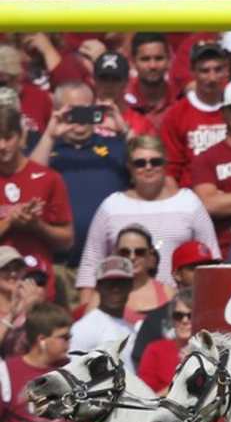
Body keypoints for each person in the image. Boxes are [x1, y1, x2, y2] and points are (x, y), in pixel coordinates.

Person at [76, 134, 217, 305]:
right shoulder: (112, 206)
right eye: (140, 163)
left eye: (155, 162)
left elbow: (211, 259)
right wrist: (85, 313)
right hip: (124, 305)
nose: (148, 167)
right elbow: (91, 264)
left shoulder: (189, 203)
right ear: (129, 166)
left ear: (165, 163)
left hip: (179, 306)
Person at [30, 81, 130, 270]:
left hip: (110, 262)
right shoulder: (42, 146)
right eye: (72, 112)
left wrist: (124, 130)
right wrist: (51, 136)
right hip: (59, 262)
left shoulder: (115, 146)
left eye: (85, 111)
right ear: (57, 111)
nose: (79, 120)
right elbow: (29, 180)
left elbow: (150, 165)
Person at [0, 302, 93, 422]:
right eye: (64, 337)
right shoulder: (6, 371)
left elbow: (90, 416)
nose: (69, 342)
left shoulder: (72, 371)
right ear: (42, 339)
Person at [0, 106, 73, 296]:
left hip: (37, 285)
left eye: (8, 137)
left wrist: (37, 226)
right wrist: (10, 222)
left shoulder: (49, 178)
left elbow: (67, 239)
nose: (2, 146)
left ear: (21, 136)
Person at [191, 79, 231, 259]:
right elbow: (209, 204)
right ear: (223, 112)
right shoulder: (207, 158)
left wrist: (228, 199)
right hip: (226, 250)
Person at [129, 239, 218, 368]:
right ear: (177, 274)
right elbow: (141, 367)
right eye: (195, 268)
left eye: (208, 266)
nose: (204, 272)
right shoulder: (156, 319)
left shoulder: (222, 315)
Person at [160, 41, 229, 184]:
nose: (212, 78)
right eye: (205, 71)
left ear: (226, 70)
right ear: (192, 71)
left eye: (218, 69)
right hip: (191, 197)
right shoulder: (176, 115)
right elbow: (170, 171)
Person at [68, 255, 135, 370]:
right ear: (98, 286)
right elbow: (72, 373)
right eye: (109, 284)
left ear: (131, 286)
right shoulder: (84, 328)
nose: (116, 289)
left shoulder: (131, 327)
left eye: (121, 283)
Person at [111, 224, 173, 323]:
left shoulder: (168, 293)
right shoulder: (103, 294)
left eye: (140, 252)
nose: (132, 257)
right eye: (125, 252)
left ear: (150, 254)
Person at [137, 288, 193, 395]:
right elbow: (145, 398)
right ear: (172, 319)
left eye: (191, 315)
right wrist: (181, 382)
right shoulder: (155, 350)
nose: (185, 320)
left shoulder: (211, 353)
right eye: (178, 316)